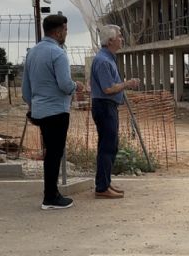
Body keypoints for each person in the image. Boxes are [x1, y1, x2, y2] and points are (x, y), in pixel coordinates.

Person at [22, 14, 84, 210]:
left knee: (50, 152)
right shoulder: (58, 54)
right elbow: (65, 85)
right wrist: (77, 86)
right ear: (58, 32)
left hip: (40, 110)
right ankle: (50, 196)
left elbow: (25, 89)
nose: (66, 33)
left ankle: (52, 193)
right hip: (57, 110)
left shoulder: (32, 52)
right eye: (65, 30)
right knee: (54, 154)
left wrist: (34, 105)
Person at [90, 24, 139, 199]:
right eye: (119, 36)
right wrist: (127, 84)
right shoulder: (103, 61)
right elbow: (108, 88)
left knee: (110, 146)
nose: (122, 39)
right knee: (107, 147)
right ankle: (102, 187)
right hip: (104, 106)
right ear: (110, 40)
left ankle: (105, 183)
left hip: (107, 107)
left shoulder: (107, 58)